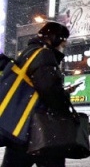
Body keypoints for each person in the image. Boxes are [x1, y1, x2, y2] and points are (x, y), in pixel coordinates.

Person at [1, 22, 75, 167]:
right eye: (63, 40)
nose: (64, 44)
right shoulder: (44, 54)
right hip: (39, 129)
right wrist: (64, 105)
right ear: (54, 38)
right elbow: (49, 90)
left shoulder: (29, 52)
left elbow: (36, 87)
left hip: (22, 129)